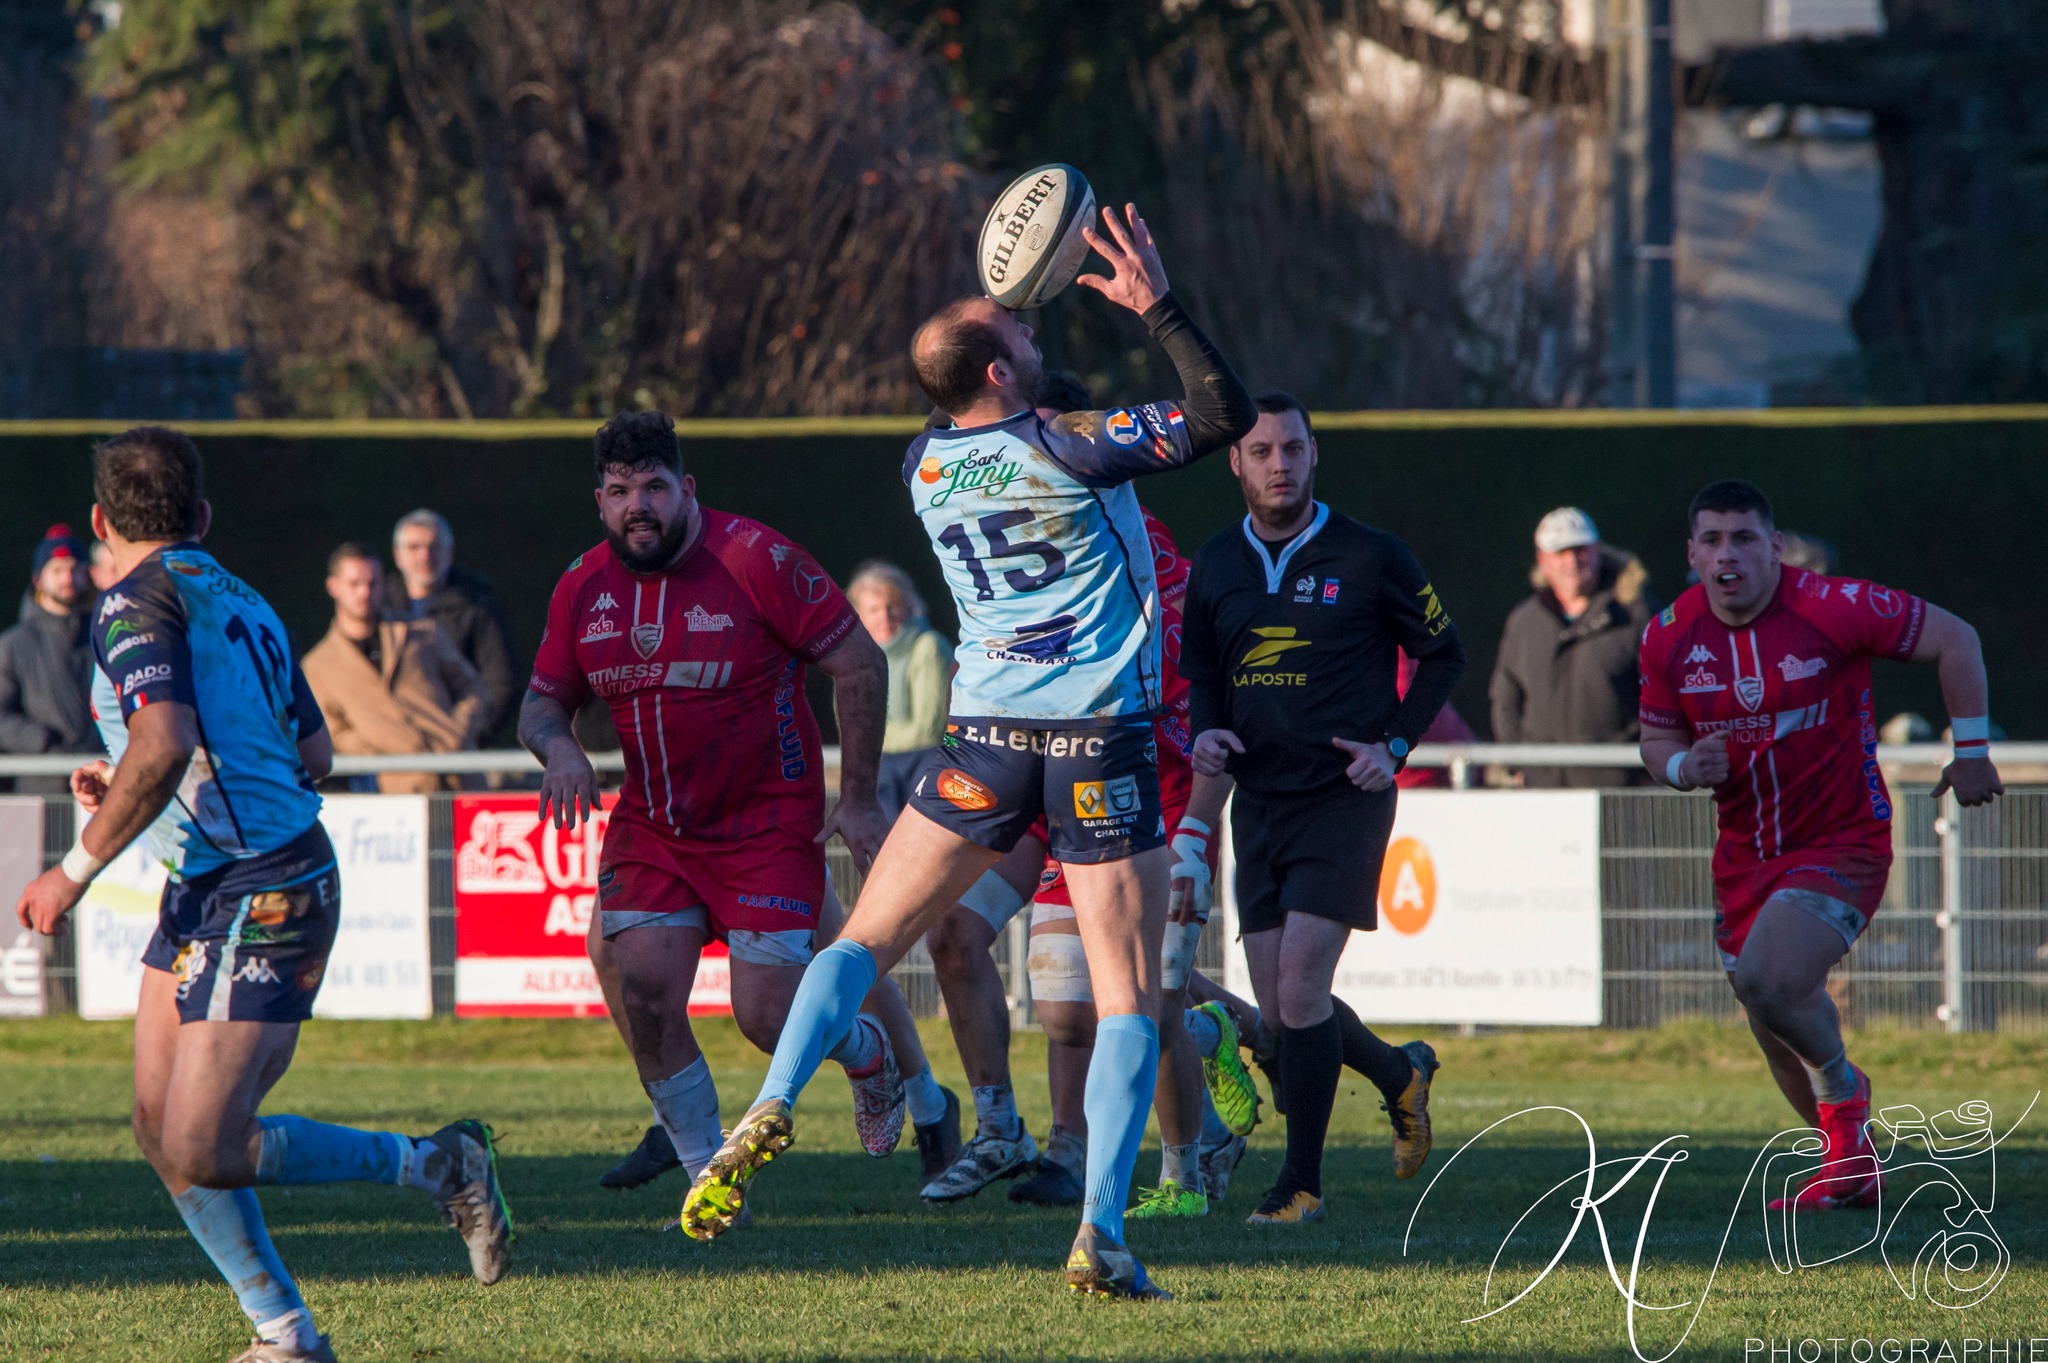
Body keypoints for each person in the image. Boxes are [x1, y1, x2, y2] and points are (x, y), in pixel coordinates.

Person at [680, 203, 1255, 1302]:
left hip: (982, 741)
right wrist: (1155, 307)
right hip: (1094, 742)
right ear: (997, 370)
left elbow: (1002, 423)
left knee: (860, 940)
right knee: (1129, 1000)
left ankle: (774, 1099)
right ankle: (1101, 1232)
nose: (1036, 338)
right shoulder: (1065, 443)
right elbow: (1218, 413)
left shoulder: (924, 462)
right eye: (1021, 334)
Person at [13, 427, 509, 1363]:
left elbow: (165, 745)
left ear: (97, 524)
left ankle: (442, 1162)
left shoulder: (128, 607)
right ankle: (284, 1334)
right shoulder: (246, 599)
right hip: (209, 881)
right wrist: (125, 777)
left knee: (204, 1142)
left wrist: (70, 870)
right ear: (201, 517)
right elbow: (307, 755)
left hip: (265, 887)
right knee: (159, 1129)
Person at [519, 411, 959, 1209]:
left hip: (765, 822)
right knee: (642, 988)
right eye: (620, 492)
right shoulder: (581, 586)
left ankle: (869, 1056)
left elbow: (858, 664)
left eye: (654, 487)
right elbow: (542, 703)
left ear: (686, 489)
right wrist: (561, 750)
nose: (638, 506)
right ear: (600, 502)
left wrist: (857, 800)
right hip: (656, 827)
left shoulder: (756, 559)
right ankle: (706, 1182)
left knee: (766, 1017)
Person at [916, 381, 1260, 1218]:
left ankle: (1192, 1147)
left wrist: (1191, 830)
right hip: (1039, 788)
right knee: (959, 934)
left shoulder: (1147, 564)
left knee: (1124, 999)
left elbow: (1210, 715)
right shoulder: (1000, 531)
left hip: (1139, 795)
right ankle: (1002, 1126)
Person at [1638, 479, 2003, 1210]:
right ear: (1691, 554)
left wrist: (1971, 750)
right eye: (1711, 540)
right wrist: (1682, 766)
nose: (1727, 554)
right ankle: (1850, 1168)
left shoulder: (1834, 606)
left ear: (1774, 546)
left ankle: (1846, 1090)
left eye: (1743, 537)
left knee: (1769, 979)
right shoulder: (1668, 634)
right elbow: (1656, 737)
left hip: (1843, 840)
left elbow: (1955, 637)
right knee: (1767, 1008)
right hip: (1744, 856)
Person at [1184, 390, 1465, 1226]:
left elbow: (1444, 653)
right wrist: (1206, 733)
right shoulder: (1216, 563)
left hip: (1343, 800)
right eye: (1262, 451)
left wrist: (1396, 746)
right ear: (1235, 462)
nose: (1280, 465)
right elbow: (1203, 671)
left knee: (1303, 988)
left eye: (1293, 449)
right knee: (1278, 1011)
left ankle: (1298, 1183)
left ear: (1315, 456)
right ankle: (1399, 1073)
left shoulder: (1371, 554)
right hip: (1259, 801)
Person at [299, 543, 490, 794]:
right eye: (354, 584)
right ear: (333, 587)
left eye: (372, 583)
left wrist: (457, 732)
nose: (365, 592)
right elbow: (334, 733)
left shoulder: (422, 631)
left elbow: (472, 686)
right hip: (396, 797)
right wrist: (387, 747)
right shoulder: (318, 665)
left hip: (462, 781)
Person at [1489, 506, 1657, 788]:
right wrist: (1518, 761)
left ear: (1597, 551)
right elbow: (1506, 699)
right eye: (1560, 552)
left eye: (1580, 550)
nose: (1572, 562)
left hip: (1619, 789)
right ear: (1542, 559)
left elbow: (1663, 695)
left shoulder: (1637, 614)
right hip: (1542, 790)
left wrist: (1647, 765)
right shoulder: (1524, 621)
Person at [382, 510, 520, 742]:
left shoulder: (478, 606)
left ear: (450, 552)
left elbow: (501, 684)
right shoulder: (380, 610)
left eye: (434, 547)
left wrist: (467, 738)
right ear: (398, 555)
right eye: (414, 547)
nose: (425, 556)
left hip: (459, 747)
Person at [845, 560, 953, 822]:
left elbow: (928, 730)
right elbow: (847, 725)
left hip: (926, 763)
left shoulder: (929, 646)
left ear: (909, 607)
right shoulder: (854, 656)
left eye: (892, 606)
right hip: (880, 766)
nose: (884, 617)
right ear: (859, 614)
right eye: (873, 609)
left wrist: (870, 737)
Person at [0, 525, 99, 790]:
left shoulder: (103, 634)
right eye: (57, 570)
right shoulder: (13, 645)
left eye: (74, 568)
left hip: (100, 780)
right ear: (38, 579)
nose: (67, 578)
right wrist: (40, 741)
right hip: (44, 785)